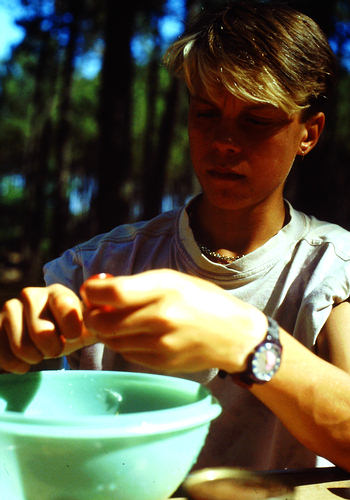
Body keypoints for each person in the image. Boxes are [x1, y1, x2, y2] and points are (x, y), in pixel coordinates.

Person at [1, 0, 350, 472]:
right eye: (207, 113)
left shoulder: (333, 269)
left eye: (256, 120)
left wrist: (245, 340)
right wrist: (15, 345)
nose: (225, 140)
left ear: (308, 133)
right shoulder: (99, 263)